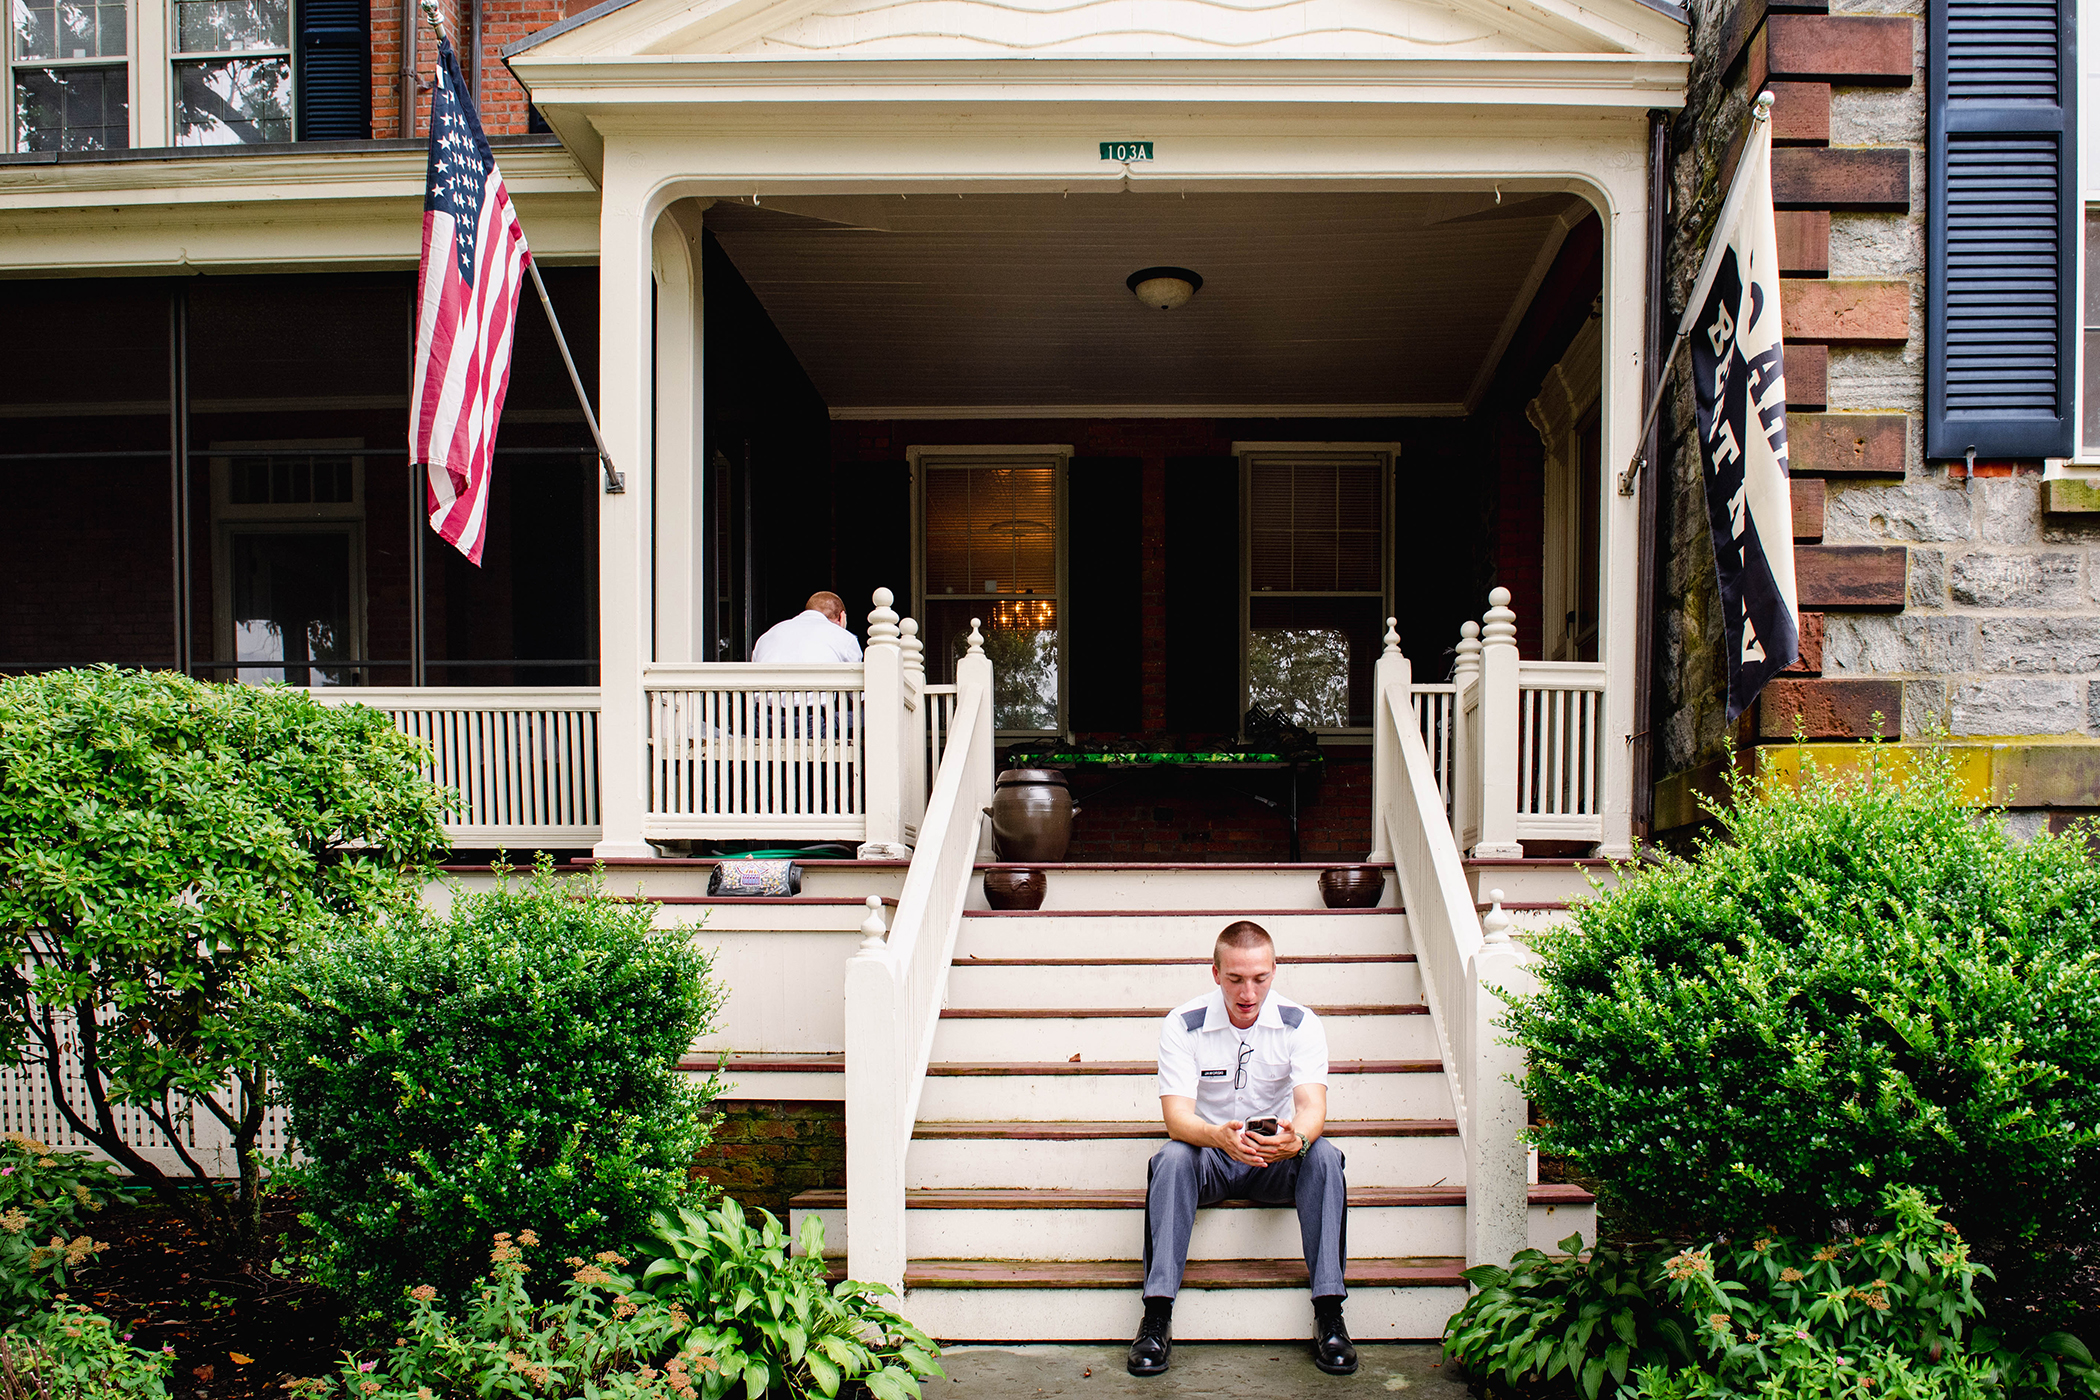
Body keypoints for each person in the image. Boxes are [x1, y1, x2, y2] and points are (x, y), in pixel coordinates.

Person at [1129, 920, 1354, 1378]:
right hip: (1209, 1155)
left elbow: (1313, 1106)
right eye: (1234, 979)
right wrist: (1218, 1137)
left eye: (1259, 978)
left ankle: (1330, 1313)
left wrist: (1296, 1141)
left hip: (1273, 1162)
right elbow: (1176, 1119)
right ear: (1215, 973)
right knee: (1170, 1158)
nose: (1247, 992)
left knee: (1326, 1154)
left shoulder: (1300, 1023)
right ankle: (1156, 1317)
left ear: (1275, 971)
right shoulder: (1183, 1024)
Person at [751, 591, 863, 663]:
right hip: (817, 701)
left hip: (768, 701)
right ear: (841, 617)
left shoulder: (768, 635)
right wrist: (840, 629)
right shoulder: (844, 637)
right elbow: (860, 695)